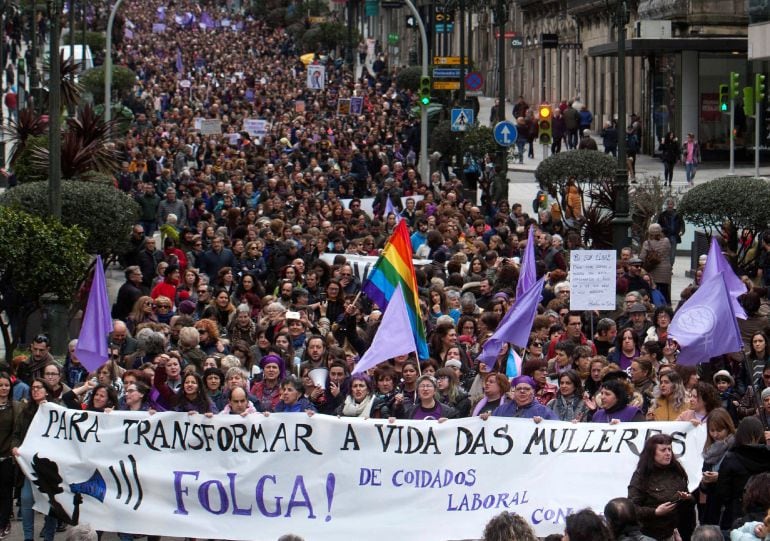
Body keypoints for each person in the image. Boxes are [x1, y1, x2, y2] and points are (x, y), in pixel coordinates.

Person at [12, 379, 59, 541]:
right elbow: (16, 435)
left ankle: (49, 537)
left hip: (50, 467)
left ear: (47, 391)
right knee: (26, 499)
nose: (35, 391)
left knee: (51, 503)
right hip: (29, 465)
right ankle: (28, 537)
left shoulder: (56, 410)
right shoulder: (26, 411)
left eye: (39, 388)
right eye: (33, 388)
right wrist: (15, 447)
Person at [628, 433, 695, 541]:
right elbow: (632, 508)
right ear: (652, 453)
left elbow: (688, 506)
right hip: (648, 534)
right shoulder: (641, 476)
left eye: (669, 449)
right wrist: (655, 512)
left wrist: (687, 498)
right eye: (663, 450)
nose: (668, 453)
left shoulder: (677, 471)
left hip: (674, 533)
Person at [716, 417, 770, 529]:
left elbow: (722, 491)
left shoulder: (731, 458)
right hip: (767, 512)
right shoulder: (767, 456)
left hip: (738, 513)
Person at [489, 375, 557, 421]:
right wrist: (486, 419)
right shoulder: (501, 410)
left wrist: (544, 424)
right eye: (518, 389)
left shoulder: (544, 411)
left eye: (527, 389)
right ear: (514, 391)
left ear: (533, 392)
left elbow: (556, 428)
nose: (522, 391)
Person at [657, 199, 685, 266]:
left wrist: (681, 231)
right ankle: (664, 266)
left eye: (671, 204)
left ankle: (670, 267)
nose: (670, 206)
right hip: (665, 236)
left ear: (673, 205)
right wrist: (661, 232)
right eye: (669, 204)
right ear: (667, 205)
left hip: (674, 237)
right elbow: (659, 225)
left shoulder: (678, 215)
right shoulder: (662, 215)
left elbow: (682, 225)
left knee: (672, 254)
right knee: (664, 253)